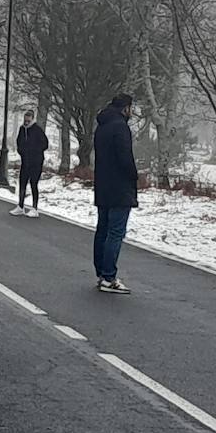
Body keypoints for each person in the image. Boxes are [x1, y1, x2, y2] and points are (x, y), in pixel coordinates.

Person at [93, 93, 137, 294]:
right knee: (116, 232)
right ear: (125, 108)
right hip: (119, 187)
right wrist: (134, 176)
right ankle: (109, 276)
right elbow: (125, 158)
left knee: (102, 230)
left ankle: (101, 272)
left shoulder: (101, 127)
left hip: (103, 185)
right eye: (131, 108)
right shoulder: (121, 128)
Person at [12, 110, 49, 218]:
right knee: (22, 183)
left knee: (33, 183)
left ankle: (34, 209)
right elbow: (19, 142)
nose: (26, 121)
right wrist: (21, 151)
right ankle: (20, 206)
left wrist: (35, 151)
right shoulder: (22, 129)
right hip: (25, 161)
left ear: (32, 119)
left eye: (28, 119)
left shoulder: (37, 130)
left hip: (36, 162)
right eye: (25, 119)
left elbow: (45, 144)